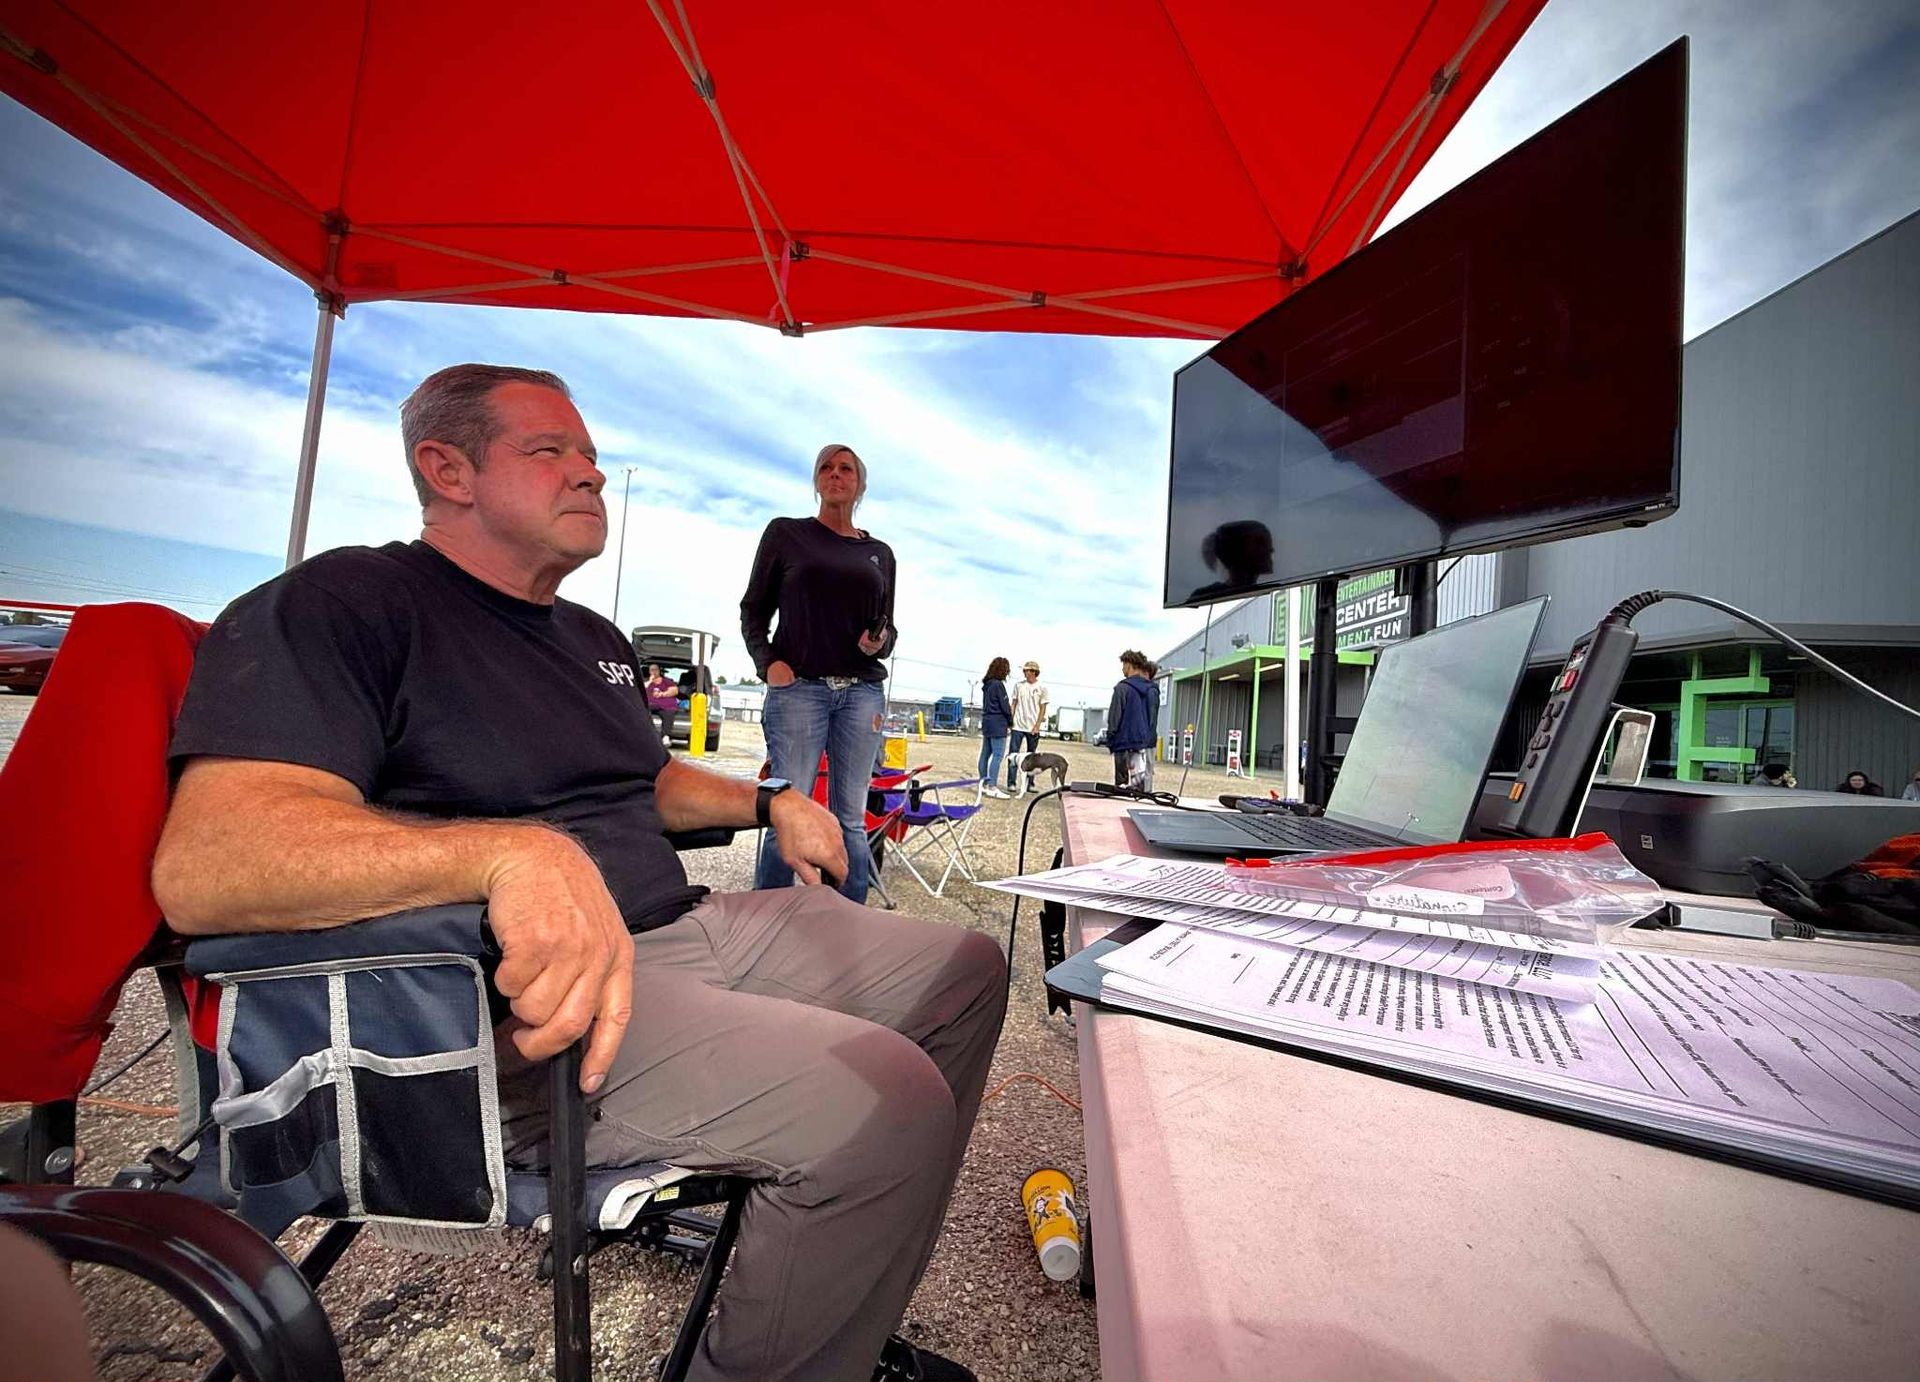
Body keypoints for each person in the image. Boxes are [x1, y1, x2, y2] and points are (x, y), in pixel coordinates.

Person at [153, 365, 1002, 1382]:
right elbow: (212, 858)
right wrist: (507, 848)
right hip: (521, 1000)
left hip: (678, 926)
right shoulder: (355, 598)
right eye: (550, 450)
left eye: (590, 454)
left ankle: (834, 1304)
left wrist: (768, 798)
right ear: (448, 469)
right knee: (888, 1099)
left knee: (965, 965)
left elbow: (641, 783)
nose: (589, 473)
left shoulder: (590, 637)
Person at [741, 444, 897, 904]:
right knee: (786, 807)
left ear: (860, 484)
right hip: (800, 691)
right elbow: (753, 608)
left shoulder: (880, 553)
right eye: (825, 467)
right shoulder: (786, 535)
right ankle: (765, 915)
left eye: (845, 468)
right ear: (815, 481)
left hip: (862, 692)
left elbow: (887, 625)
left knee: (850, 816)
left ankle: (847, 919)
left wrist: (879, 641)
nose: (835, 474)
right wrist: (768, 663)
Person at [1106, 650, 1160, 791]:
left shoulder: (1122, 688)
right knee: (1141, 787)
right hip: (1144, 744)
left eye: (1123, 665)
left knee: (1122, 788)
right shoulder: (1151, 690)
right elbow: (1152, 718)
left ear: (1129, 665)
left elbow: (1114, 718)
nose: (1122, 669)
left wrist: (1111, 738)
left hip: (1123, 743)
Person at [1006, 660, 1048, 796]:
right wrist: (1010, 721)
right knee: (1013, 754)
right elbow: (1014, 703)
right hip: (1018, 725)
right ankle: (1011, 783)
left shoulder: (1042, 688)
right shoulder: (1018, 686)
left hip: (1032, 727)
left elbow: (1043, 708)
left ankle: (1030, 784)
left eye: (1028, 670)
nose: (1025, 673)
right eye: (1024, 671)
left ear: (1034, 672)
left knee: (1032, 757)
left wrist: (1037, 725)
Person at [979, 657, 1013, 799]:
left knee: (985, 754)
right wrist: (1010, 721)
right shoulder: (998, 685)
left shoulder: (986, 685)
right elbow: (1005, 706)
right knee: (998, 755)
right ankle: (992, 786)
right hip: (998, 722)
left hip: (987, 720)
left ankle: (983, 784)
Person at [643, 661, 679, 743]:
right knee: (642, 710)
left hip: (666, 705)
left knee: (669, 713)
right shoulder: (646, 681)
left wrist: (662, 694)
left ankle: (665, 736)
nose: (654, 672)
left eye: (655, 670)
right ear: (649, 671)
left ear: (659, 671)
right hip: (650, 704)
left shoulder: (667, 681)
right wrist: (650, 681)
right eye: (652, 670)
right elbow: (642, 689)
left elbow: (674, 690)